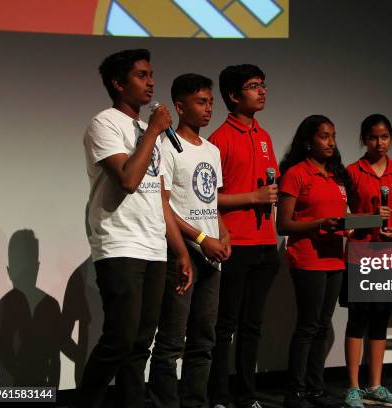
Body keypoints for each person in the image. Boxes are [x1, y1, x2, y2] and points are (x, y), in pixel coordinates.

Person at [79, 49, 192, 408]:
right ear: (118, 83)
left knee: (141, 343)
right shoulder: (104, 123)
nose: (151, 83)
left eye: (151, 75)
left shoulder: (149, 131)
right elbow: (128, 179)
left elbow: (159, 199)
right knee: (120, 339)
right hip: (119, 243)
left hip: (153, 245)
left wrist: (181, 251)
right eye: (142, 76)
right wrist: (154, 132)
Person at [148, 73, 230, 408]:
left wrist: (223, 233)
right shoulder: (165, 147)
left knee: (203, 339)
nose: (209, 108)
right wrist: (199, 238)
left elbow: (210, 202)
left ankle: (195, 401)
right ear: (180, 107)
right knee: (171, 341)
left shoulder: (211, 150)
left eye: (211, 101)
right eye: (201, 101)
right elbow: (162, 202)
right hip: (182, 253)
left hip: (211, 254)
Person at [207, 64, 280, 408]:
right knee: (226, 326)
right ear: (234, 96)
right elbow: (207, 197)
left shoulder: (264, 137)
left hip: (266, 243)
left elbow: (270, 187)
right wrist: (252, 198)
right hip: (235, 244)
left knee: (253, 326)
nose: (262, 90)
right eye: (253, 86)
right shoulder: (219, 140)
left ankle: (246, 396)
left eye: (263, 85)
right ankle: (219, 396)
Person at [342, 114, 392, 408]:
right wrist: (361, 224)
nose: (379, 142)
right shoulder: (352, 171)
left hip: (391, 258)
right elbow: (342, 214)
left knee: (380, 321)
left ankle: (375, 385)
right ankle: (353, 388)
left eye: (384, 137)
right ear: (364, 139)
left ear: (391, 138)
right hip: (361, 256)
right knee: (357, 320)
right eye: (373, 137)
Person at [277, 115, 349, 408]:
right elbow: (283, 225)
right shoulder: (296, 174)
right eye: (324, 136)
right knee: (308, 326)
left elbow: (339, 217)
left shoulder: (337, 175)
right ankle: (295, 391)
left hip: (335, 259)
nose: (330, 142)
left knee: (322, 325)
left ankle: (315, 389)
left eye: (333, 135)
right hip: (308, 258)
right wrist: (319, 223)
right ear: (309, 141)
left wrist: (350, 225)